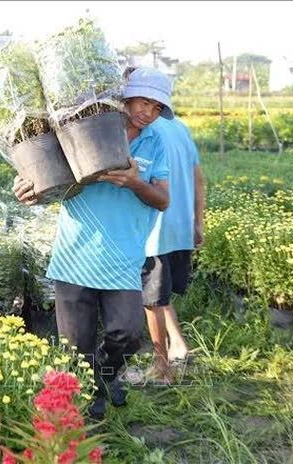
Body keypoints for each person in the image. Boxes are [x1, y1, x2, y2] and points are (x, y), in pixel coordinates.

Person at [13, 67, 174, 420]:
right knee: (75, 347)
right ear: (125, 97)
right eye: (143, 101)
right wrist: (29, 191)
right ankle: (84, 410)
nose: (148, 112)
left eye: (157, 107)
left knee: (128, 333)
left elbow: (163, 200)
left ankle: (102, 378)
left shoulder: (156, 142)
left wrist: (134, 182)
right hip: (75, 257)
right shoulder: (84, 127)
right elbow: (46, 177)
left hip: (123, 258)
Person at [140, 92, 206, 384]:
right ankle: (179, 344)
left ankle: (161, 368)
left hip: (155, 227)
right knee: (160, 292)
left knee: (152, 298)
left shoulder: (146, 131)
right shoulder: (179, 126)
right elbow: (199, 179)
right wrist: (198, 223)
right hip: (180, 224)